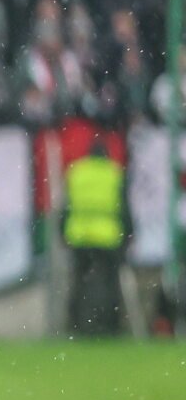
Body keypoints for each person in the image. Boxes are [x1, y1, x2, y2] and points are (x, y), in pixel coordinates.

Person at [61, 137, 130, 336]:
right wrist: (129, 233)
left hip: (80, 235)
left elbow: (67, 205)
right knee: (109, 283)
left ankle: (78, 324)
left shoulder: (77, 172)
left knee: (80, 281)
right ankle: (108, 324)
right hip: (107, 235)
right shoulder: (114, 173)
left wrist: (62, 231)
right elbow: (124, 208)